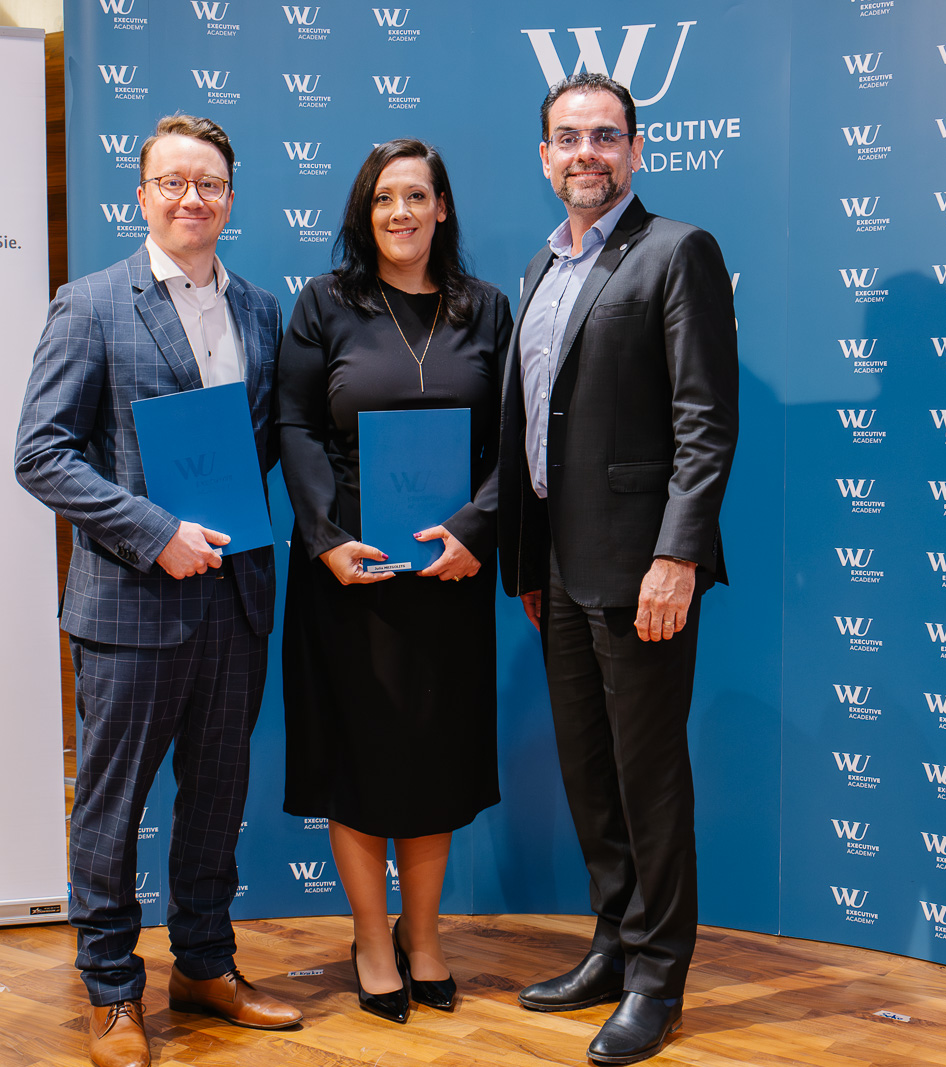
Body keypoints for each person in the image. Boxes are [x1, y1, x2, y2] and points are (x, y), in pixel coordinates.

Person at [14, 114, 301, 1067]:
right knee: (111, 806)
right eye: (172, 182)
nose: (191, 198)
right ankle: (111, 992)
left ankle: (205, 966)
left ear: (231, 197)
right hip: (132, 606)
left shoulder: (260, 309)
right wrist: (155, 532)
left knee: (216, 799)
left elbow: (260, 447)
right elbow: (41, 453)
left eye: (209, 183)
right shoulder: (90, 304)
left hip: (236, 599)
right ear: (142, 196)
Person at [499, 74, 738, 1065]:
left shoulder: (677, 251)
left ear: (636, 151)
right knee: (590, 774)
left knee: (648, 776)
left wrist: (676, 555)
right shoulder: (539, 268)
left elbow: (704, 421)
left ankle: (657, 976)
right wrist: (527, 557)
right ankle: (611, 942)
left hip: (642, 569)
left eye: (605, 136)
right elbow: (536, 424)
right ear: (544, 157)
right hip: (556, 565)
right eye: (567, 138)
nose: (585, 152)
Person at [277, 139, 511, 1024]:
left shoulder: (487, 308)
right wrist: (325, 538)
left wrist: (476, 530)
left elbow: (517, 439)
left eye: (417, 195)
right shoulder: (325, 303)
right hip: (350, 574)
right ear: (363, 212)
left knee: (432, 754)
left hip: (450, 573)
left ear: (442, 207)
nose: (400, 212)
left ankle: (425, 936)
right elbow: (295, 423)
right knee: (358, 756)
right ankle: (372, 941)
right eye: (383, 198)